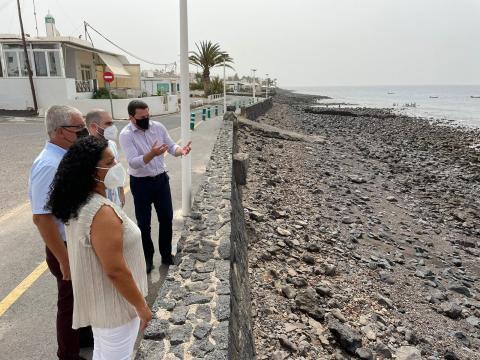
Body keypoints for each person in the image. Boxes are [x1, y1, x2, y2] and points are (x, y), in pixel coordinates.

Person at [46, 136, 151, 360]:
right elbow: (115, 269)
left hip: (104, 306)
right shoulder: (100, 212)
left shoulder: (82, 201)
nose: (116, 166)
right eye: (110, 162)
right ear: (91, 170)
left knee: (103, 354)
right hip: (116, 308)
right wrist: (141, 306)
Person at [28, 105, 91, 359]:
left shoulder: (64, 157)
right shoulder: (48, 164)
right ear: (62, 132)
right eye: (79, 128)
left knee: (80, 297)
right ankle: (68, 354)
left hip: (75, 243)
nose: (84, 132)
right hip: (65, 248)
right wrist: (64, 259)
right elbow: (41, 218)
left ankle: (84, 338)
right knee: (69, 304)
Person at [119, 100, 192, 273]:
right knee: (144, 224)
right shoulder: (126, 134)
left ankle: (166, 255)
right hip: (140, 183)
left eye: (148, 115)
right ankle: (148, 258)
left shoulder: (157, 127)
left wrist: (180, 151)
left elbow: (171, 145)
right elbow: (133, 163)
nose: (146, 119)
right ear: (131, 117)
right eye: (141, 117)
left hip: (160, 180)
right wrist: (151, 154)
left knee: (166, 219)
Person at [85, 109, 125, 207]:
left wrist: (121, 192)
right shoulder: (85, 151)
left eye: (112, 123)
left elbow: (117, 170)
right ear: (94, 127)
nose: (112, 127)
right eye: (108, 123)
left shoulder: (112, 144)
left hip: (115, 201)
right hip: (100, 206)